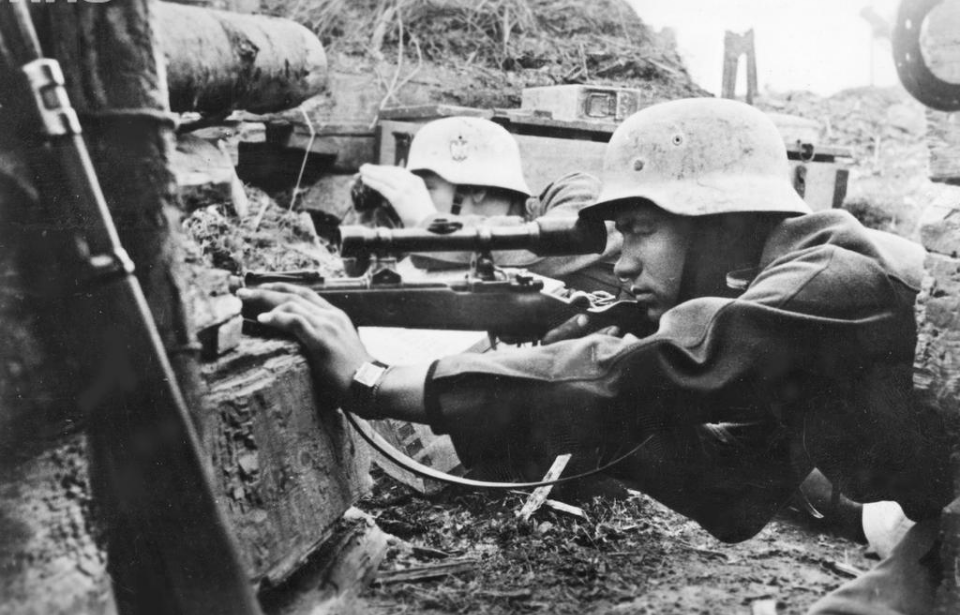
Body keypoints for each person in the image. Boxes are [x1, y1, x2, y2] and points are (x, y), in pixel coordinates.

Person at [239, 98, 957, 615]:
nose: (619, 261)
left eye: (639, 229)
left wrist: (375, 380)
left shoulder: (829, 278)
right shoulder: (782, 306)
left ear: (721, 218)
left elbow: (647, 373)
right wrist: (561, 412)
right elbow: (736, 493)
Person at [354, 115, 622, 294]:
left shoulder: (577, 192)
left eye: (426, 189)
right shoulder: (446, 252)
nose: (413, 202)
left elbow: (543, 250)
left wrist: (426, 224)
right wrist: (368, 220)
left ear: (476, 190)